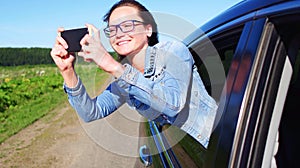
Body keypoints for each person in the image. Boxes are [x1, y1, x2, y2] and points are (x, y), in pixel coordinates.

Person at [50, 0, 217, 148]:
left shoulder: (173, 51)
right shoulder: (124, 80)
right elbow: (91, 113)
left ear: (148, 30)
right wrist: (67, 71)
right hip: (191, 154)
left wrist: (111, 65)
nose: (119, 33)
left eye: (128, 25)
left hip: (220, 145)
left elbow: (173, 104)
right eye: (113, 29)